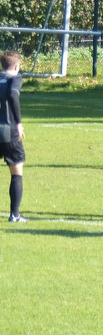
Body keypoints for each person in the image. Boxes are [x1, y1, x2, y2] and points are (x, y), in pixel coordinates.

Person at [0, 51, 27, 223]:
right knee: (16, 171)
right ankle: (14, 214)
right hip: (8, 131)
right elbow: (12, 95)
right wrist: (18, 122)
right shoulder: (14, 79)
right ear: (16, 66)